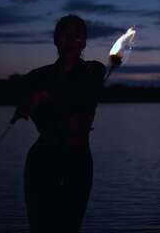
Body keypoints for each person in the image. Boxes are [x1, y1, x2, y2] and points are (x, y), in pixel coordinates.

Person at [12, 15, 106, 232]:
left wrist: (45, 96)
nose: (70, 41)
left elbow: (81, 94)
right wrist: (27, 104)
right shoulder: (36, 76)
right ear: (55, 40)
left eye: (76, 36)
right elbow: (23, 103)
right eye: (64, 36)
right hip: (43, 159)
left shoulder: (94, 70)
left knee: (70, 226)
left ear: (84, 42)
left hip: (77, 159)